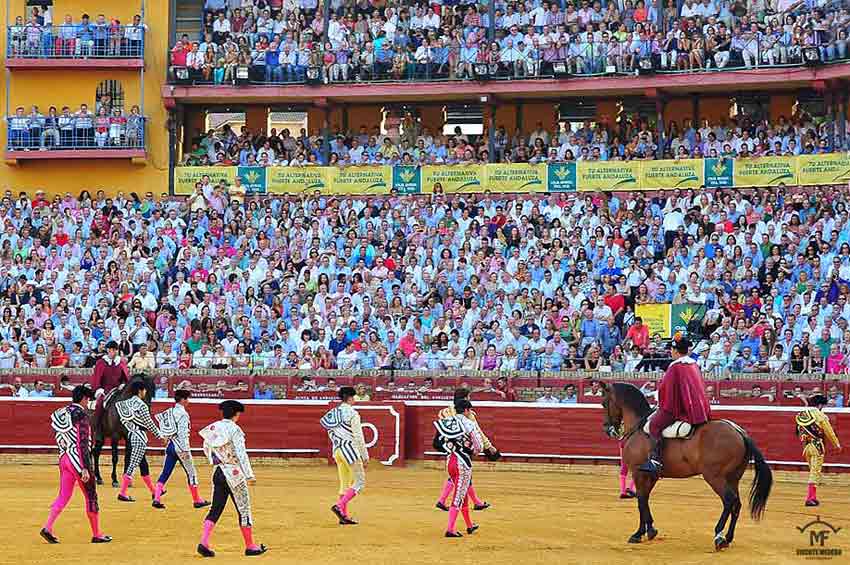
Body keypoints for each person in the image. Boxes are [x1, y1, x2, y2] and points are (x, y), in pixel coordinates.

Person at [40, 385, 112, 544]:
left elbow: (58, 436)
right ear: (84, 399)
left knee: (63, 495)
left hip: (64, 457)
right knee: (91, 496)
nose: (88, 403)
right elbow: (83, 443)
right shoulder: (81, 415)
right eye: (88, 400)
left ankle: (48, 527)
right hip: (78, 461)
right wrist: (85, 467)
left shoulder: (62, 412)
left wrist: (65, 453)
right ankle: (97, 534)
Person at [197, 400, 266, 557]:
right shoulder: (235, 430)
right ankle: (250, 546)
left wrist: (214, 461)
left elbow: (206, 447)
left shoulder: (213, 427)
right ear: (236, 414)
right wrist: (249, 474)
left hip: (218, 472)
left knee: (215, 509)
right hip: (234, 474)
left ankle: (204, 541)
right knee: (244, 509)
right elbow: (241, 454)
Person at [639, 335, 711, 475]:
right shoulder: (693, 364)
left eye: (671, 349)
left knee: (654, 425)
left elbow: (668, 391)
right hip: (695, 409)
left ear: (676, 351)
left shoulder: (675, 366)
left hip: (678, 408)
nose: (670, 352)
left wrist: (654, 395)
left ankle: (655, 460)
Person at [435, 387, 497, 512]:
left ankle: (443, 500)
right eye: (468, 397)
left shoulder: (444, 412)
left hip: (450, 447)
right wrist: (488, 446)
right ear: (464, 399)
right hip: (464, 448)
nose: (470, 399)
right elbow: (478, 432)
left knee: (456, 475)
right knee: (462, 475)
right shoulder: (468, 414)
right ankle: (475, 502)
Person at [434, 398, 484, 537]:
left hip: (450, 461)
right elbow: (478, 447)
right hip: (463, 463)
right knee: (458, 497)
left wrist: (451, 447)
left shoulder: (448, 422)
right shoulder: (469, 424)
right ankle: (450, 529)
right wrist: (470, 449)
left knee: (463, 495)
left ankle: (469, 525)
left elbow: (437, 443)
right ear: (467, 410)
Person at [153, 389, 209, 510]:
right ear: (183, 400)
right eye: (187, 399)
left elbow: (165, 428)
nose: (188, 401)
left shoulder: (170, 411)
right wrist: (185, 451)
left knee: (165, 473)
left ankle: (157, 498)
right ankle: (197, 500)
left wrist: (167, 439)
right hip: (181, 448)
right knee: (192, 474)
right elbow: (183, 434)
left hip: (170, 446)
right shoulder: (183, 414)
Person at [321, 386, 369, 525]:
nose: (354, 400)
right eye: (353, 397)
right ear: (349, 398)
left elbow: (330, 432)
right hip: (350, 451)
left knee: (345, 483)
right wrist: (364, 456)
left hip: (337, 451)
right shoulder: (353, 413)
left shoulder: (333, 412)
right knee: (359, 482)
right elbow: (359, 437)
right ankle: (339, 506)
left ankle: (344, 516)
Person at [115, 380, 162, 502]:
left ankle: (153, 491)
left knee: (140, 464)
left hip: (132, 435)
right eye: (144, 390)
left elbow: (123, 421)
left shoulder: (123, 404)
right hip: (140, 437)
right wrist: (160, 436)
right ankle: (123, 493)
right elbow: (149, 423)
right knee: (132, 466)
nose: (145, 392)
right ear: (140, 391)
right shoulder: (142, 405)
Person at [795, 394, 842, 506]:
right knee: (815, 472)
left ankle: (813, 497)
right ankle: (810, 498)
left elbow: (798, 431)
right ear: (820, 405)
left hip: (806, 447)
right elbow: (829, 432)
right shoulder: (820, 415)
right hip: (817, 447)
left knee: (813, 471)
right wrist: (837, 444)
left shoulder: (801, 415)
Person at [89, 341, 129, 419]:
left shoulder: (121, 363)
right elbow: (96, 379)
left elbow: (125, 378)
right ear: (107, 351)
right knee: (99, 403)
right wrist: (99, 390)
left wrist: (123, 384)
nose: (112, 352)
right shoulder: (101, 363)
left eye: (114, 350)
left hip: (118, 390)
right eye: (110, 350)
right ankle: (97, 423)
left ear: (117, 351)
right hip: (104, 390)